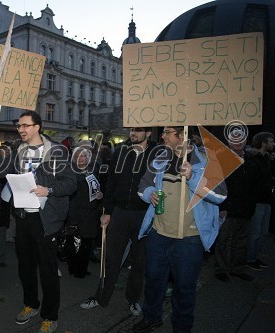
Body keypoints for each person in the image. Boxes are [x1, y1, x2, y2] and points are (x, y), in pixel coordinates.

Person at [0, 111, 76, 333]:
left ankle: (49, 315)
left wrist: (50, 189)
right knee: (25, 266)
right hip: (22, 217)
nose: (21, 129)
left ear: (37, 127)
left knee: (48, 270)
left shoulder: (57, 151)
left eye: (25, 125)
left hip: (46, 219)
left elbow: (71, 183)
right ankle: (31, 304)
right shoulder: (17, 148)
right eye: (19, 126)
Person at [133, 126, 227, 333]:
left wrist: (193, 177)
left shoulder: (207, 160)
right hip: (158, 234)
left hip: (189, 239)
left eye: (168, 132)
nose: (163, 136)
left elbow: (220, 196)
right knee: (154, 282)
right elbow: (143, 185)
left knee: (184, 288)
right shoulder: (160, 158)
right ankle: (151, 317)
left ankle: (182, 327)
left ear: (183, 135)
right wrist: (149, 193)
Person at [80, 127, 156, 316]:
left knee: (139, 262)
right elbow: (111, 182)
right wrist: (107, 211)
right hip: (120, 213)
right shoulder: (121, 151)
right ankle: (101, 297)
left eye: (138, 130)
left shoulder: (157, 153)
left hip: (143, 214)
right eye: (132, 129)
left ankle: (133, 300)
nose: (133, 133)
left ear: (148, 133)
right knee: (111, 258)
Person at [213, 129, 259, 282]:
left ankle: (237, 269)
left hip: (246, 207)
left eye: (241, 138)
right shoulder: (222, 159)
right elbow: (218, 183)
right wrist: (222, 206)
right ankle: (221, 269)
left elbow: (255, 183)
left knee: (241, 240)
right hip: (228, 207)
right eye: (235, 139)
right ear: (229, 141)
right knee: (223, 240)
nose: (238, 142)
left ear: (246, 140)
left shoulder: (252, 159)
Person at [65, 146, 102, 278]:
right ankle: (75, 268)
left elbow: (97, 188)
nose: (80, 158)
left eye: (83, 156)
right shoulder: (70, 172)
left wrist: (100, 195)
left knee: (86, 242)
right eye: (77, 156)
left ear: (88, 158)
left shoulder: (93, 171)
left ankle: (82, 267)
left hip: (90, 211)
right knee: (75, 242)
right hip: (76, 211)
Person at [246, 132, 275, 270]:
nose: (272, 144)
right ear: (263, 143)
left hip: (266, 199)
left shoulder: (266, 158)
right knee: (255, 232)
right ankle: (249, 258)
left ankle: (255, 256)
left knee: (263, 232)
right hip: (257, 200)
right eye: (270, 141)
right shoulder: (253, 158)